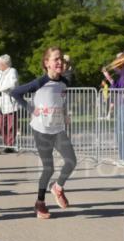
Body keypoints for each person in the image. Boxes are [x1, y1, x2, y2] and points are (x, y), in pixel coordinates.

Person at [11, 47, 77, 219]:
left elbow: (61, 99)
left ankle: (58, 187)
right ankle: (39, 203)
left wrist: (64, 113)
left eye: (61, 59)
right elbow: (15, 93)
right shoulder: (39, 82)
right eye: (56, 59)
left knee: (71, 161)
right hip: (42, 131)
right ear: (47, 63)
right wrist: (30, 108)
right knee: (49, 168)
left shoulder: (65, 81)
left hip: (58, 129)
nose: (60, 62)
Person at [0, 54, 20, 153]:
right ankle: (6, 144)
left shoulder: (12, 71)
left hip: (11, 103)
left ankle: (10, 145)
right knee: (1, 125)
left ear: (4, 64)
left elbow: (12, 84)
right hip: (1, 104)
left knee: (11, 126)